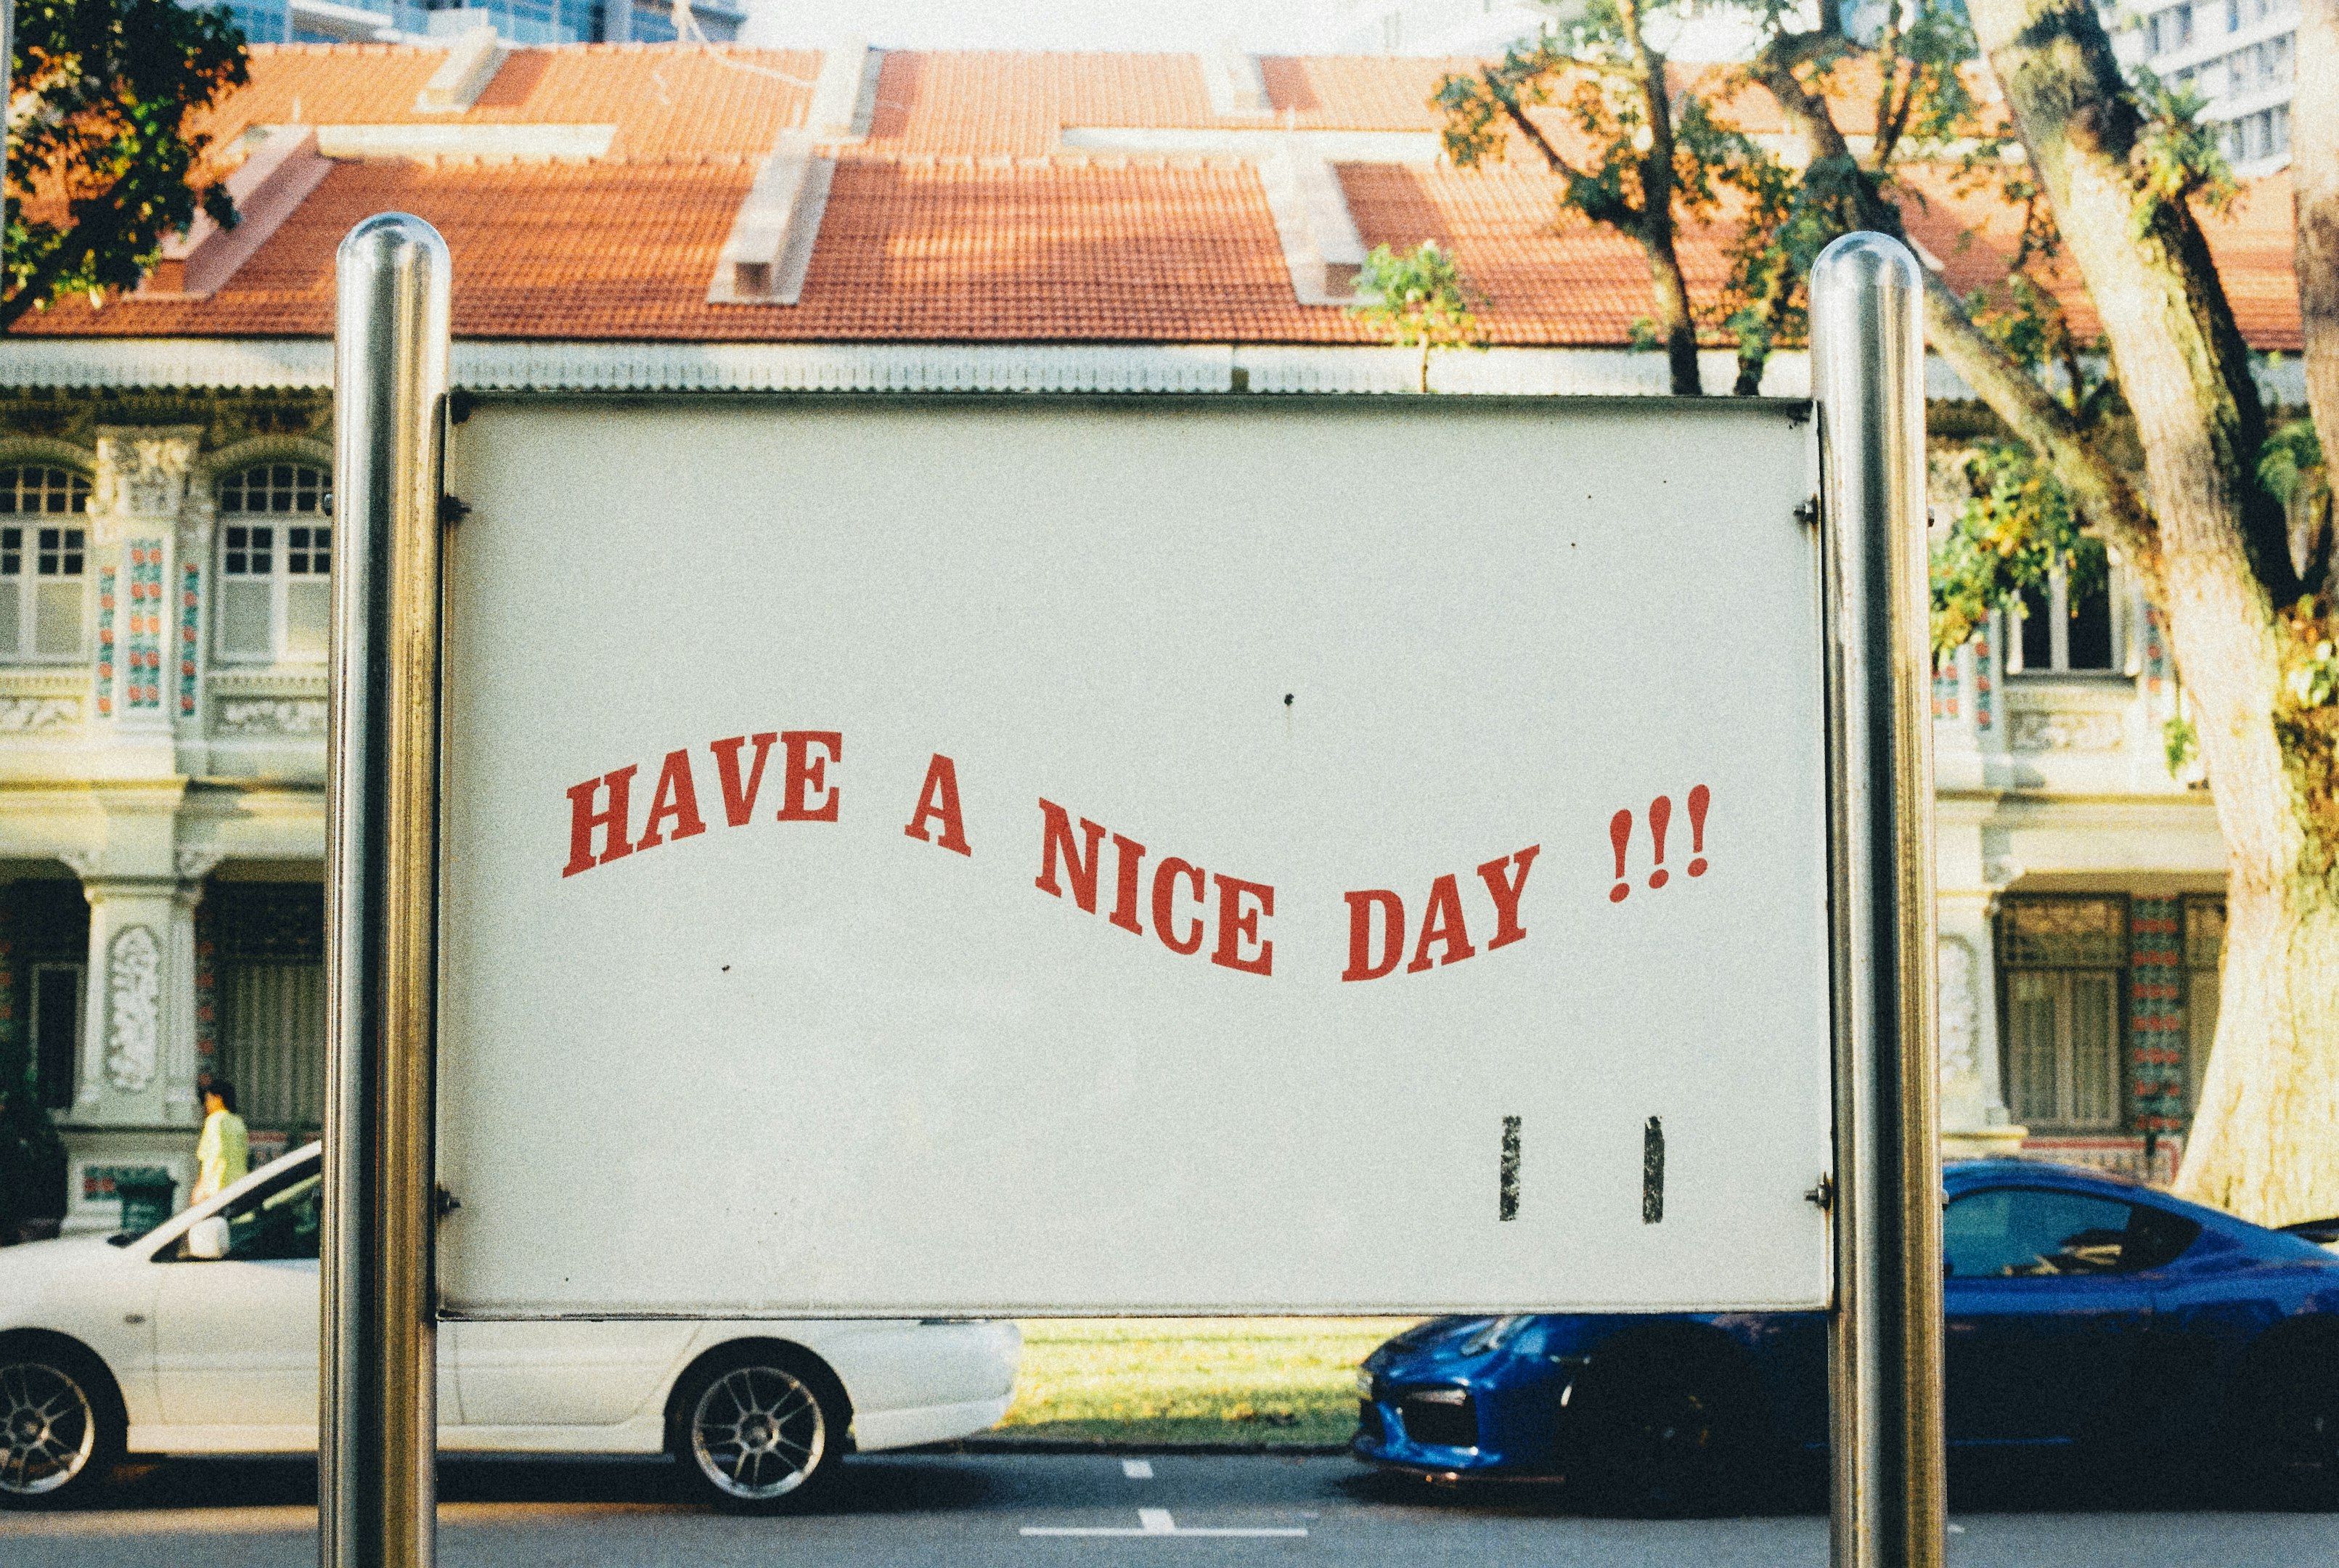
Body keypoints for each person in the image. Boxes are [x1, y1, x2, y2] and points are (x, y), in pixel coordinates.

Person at [192, 1081, 250, 1204]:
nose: (206, 1104)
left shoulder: (214, 1121)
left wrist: (201, 1187)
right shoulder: (238, 1122)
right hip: (238, 1185)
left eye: (208, 1099)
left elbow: (212, 1156)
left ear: (218, 1099)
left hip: (216, 1187)